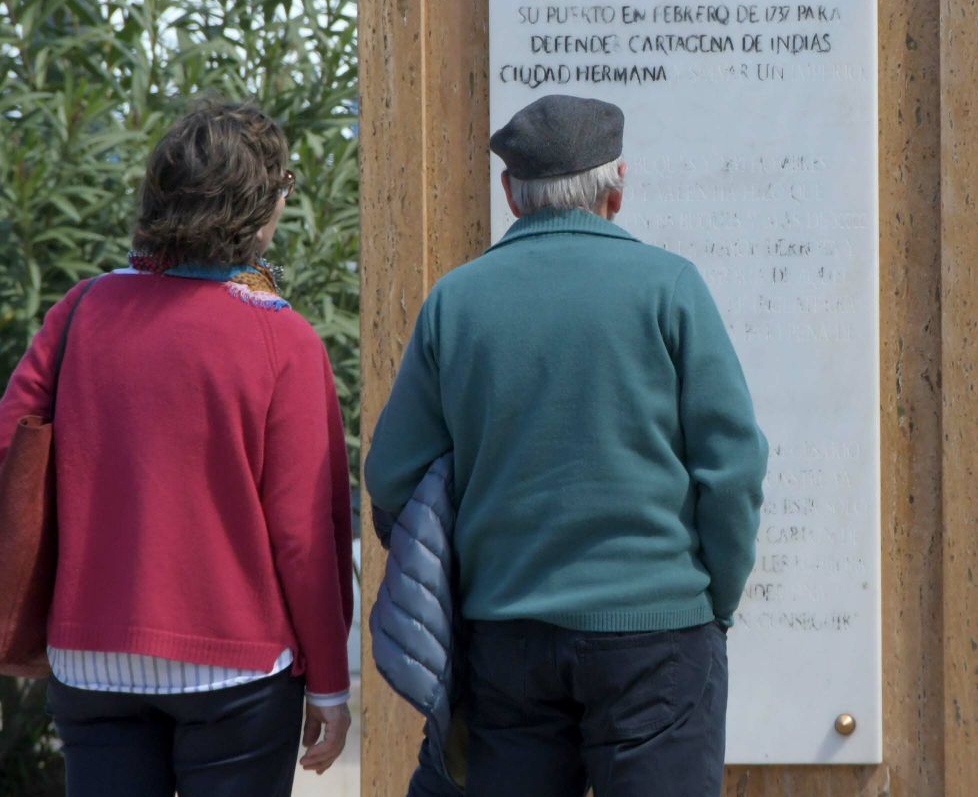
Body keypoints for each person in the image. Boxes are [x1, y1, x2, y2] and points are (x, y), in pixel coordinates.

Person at [366, 94, 768, 797]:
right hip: (660, 636)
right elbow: (733, 468)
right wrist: (717, 599)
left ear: (510, 193)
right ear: (618, 187)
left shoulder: (456, 301)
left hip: (507, 637)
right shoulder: (669, 287)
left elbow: (392, 476)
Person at [0, 100, 354, 797]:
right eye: (283, 186)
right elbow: (303, 534)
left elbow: (12, 445)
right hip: (237, 666)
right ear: (256, 208)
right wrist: (330, 685)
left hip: (91, 654)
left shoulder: (80, 310)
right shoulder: (283, 340)